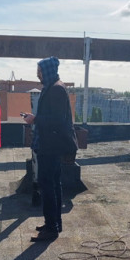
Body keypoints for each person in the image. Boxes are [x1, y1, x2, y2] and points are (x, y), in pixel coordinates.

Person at [22, 56, 78, 242]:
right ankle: (54, 223)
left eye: (39, 71)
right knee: (53, 184)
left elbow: (57, 120)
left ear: (47, 71)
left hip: (51, 145)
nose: (37, 75)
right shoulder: (54, 86)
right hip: (51, 144)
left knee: (47, 186)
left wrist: (35, 119)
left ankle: (51, 228)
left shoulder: (55, 89)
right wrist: (35, 118)